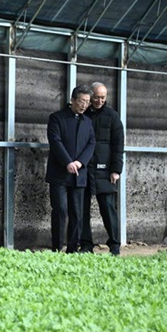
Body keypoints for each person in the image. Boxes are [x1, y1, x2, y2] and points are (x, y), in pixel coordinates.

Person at [46, 84, 96, 253]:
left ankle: (73, 249)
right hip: (59, 173)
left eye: (87, 102)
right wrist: (68, 162)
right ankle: (57, 247)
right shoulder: (57, 118)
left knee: (77, 212)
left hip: (79, 174)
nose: (84, 105)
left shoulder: (88, 122)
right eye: (81, 101)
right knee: (60, 209)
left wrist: (80, 162)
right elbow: (55, 141)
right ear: (72, 100)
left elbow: (91, 144)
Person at [80, 82, 125, 255]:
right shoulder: (83, 114)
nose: (99, 101)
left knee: (108, 209)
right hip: (84, 168)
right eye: (96, 97)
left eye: (103, 97)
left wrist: (116, 170)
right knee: (82, 209)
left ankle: (114, 246)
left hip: (105, 171)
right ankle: (85, 245)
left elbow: (118, 144)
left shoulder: (112, 116)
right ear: (90, 96)